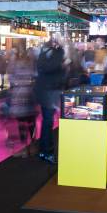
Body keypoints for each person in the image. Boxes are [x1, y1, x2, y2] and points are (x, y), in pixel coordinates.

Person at [34, 33, 65, 164]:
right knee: (48, 122)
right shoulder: (55, 53)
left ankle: (44, 150)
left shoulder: (43, 52)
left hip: (45, 90)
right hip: (49, 91)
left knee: (47, 121)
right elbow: (53, 67)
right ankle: (46, 151)